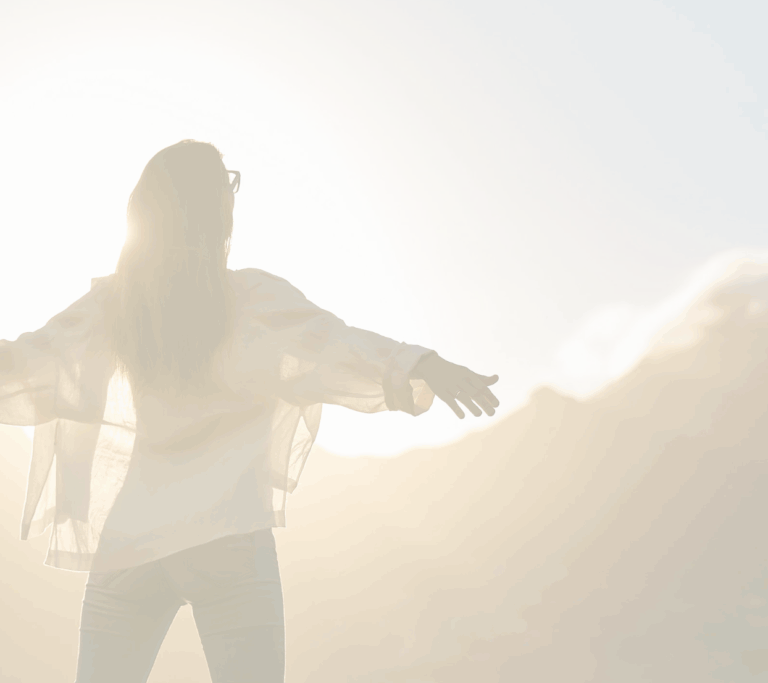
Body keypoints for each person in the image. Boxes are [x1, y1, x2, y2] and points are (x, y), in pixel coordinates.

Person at [0, 139, 500, 682]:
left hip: (131, 540)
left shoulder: (114, 305)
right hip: (228, 534)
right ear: (216, 209)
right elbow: (334, 345)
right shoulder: (251, 298)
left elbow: (28, 364)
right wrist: (418, 364)